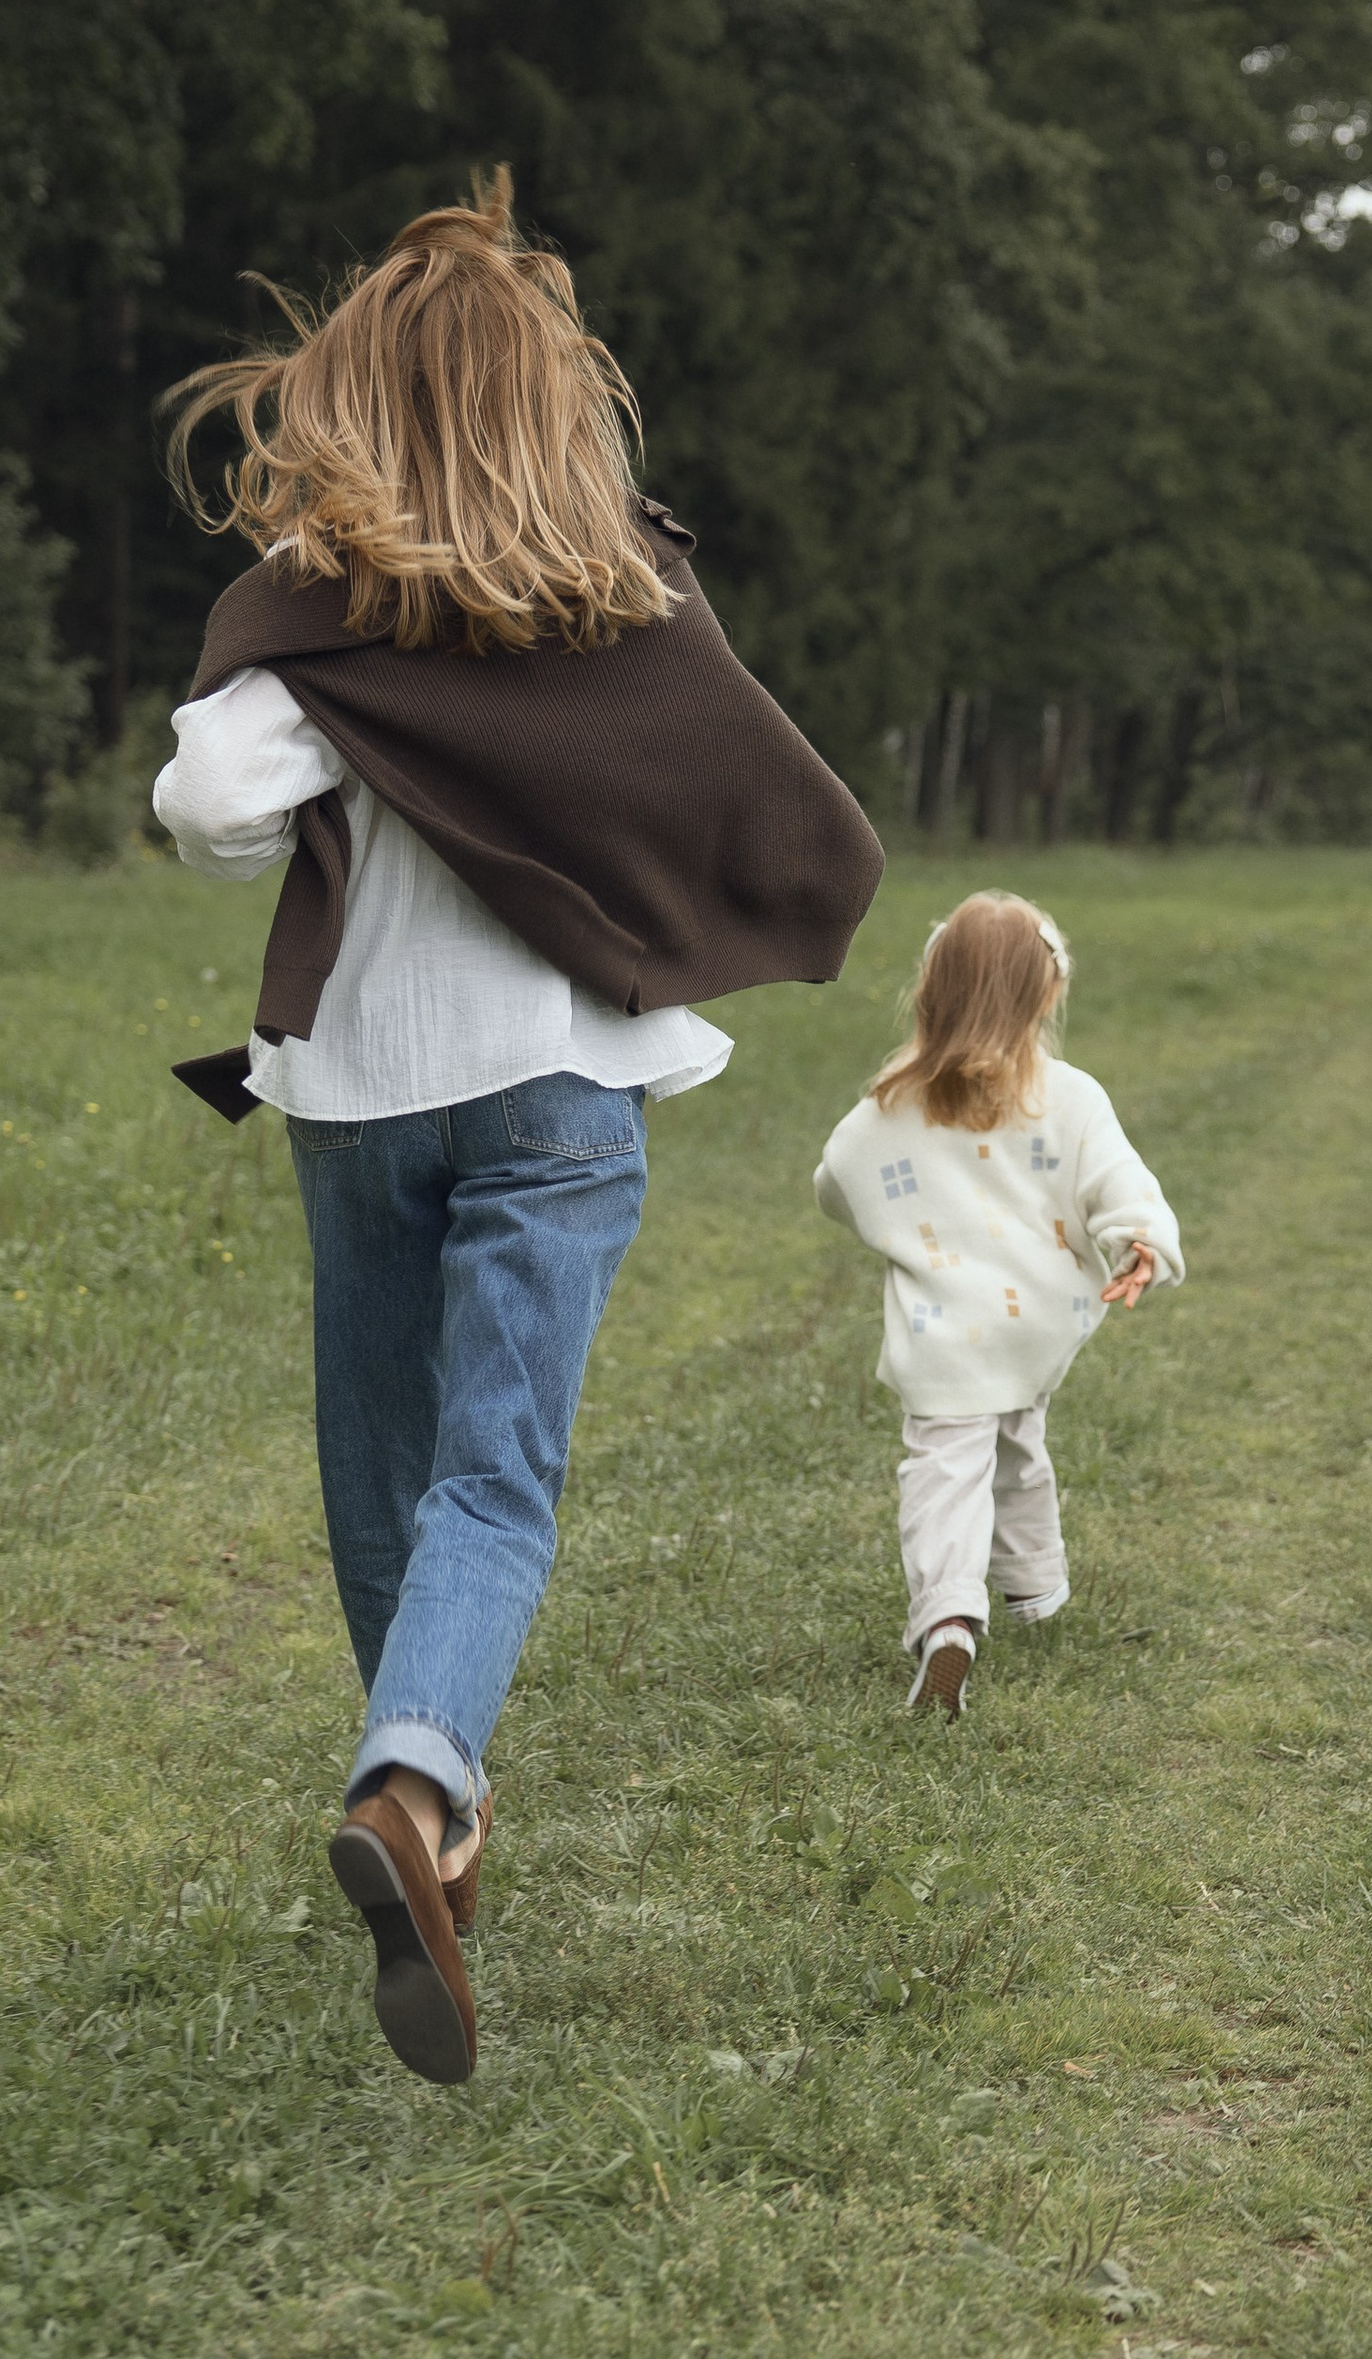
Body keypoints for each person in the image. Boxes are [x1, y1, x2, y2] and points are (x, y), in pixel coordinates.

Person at [154, 175, 883, 2082]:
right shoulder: (615, 594)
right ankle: (417, 1785)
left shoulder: (330, 613)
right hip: (559, 1094)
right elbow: (754, 793)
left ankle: (434, 1811)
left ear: (351, 402)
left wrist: (339, 698)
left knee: (383, 1478)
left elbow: (211, 804)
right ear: (555, 405)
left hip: (360, 1096)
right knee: (494, 1479)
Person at [813, 892, 1183, 1714]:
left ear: (929, 992)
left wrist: (894, 1222)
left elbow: (836, 1183)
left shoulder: (891, 1106)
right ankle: (1039, 1587)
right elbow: (1118, 1184)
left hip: (945, 1331)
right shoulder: (1072, 1097)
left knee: (946, 1470)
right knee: (1017, 1439)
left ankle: (948, 1614)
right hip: (1037, 1324)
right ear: (1048, 994)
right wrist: (1138, 1243)